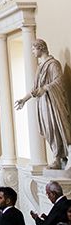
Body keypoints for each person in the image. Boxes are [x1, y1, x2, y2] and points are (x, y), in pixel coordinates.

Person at [15, 39, 71, 169]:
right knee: (47, 130)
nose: (33, 52)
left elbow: (59, 82)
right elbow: (35, 88)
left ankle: (58, 158)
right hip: (43, 103)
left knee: (53, 128)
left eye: (34, 49)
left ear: (41, 48)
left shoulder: (53, 64)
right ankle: (57, 156)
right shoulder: (40, 67)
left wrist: (45, 88)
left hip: (52, 104)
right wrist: (24, 99)